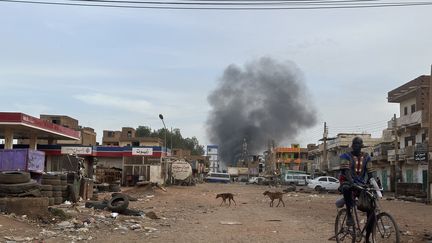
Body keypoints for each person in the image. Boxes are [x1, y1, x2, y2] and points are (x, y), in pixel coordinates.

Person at [339, 137, 376, 243]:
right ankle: (349, 214)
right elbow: (345, 172)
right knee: (346, 188)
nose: (356, 145)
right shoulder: (345, 156)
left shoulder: (367, 157)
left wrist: (374, 185)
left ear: (361, 145)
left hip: (361, 184)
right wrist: (352, 183)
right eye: (355, 144)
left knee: (371, 211)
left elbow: (370, 174)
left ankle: (367, 238)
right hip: (347, 182)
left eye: (358, 144)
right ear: (352, 145)